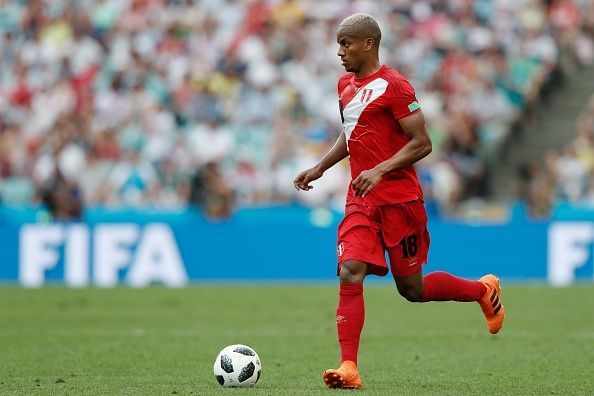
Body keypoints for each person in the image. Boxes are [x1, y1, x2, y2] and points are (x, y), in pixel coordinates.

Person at [293, 13, 505, 390]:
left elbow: (422, 142)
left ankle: (481, 290)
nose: (339, 52)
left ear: (368, 44)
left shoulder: (395, 85)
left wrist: (380, 169)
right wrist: (320, 167)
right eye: (339, 44)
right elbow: (350, 133)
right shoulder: (344, 84)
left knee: (413, 290)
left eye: (346, 43)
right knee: (350, 270)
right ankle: (348, 367)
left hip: (400, 201)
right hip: (361, 200)